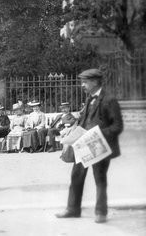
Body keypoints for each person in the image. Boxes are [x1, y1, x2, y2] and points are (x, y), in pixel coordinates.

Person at [56, 68, 123, 224]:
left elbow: (117, 126)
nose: (82, 85)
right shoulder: (89, 99)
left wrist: (98, 134)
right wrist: (75, 131)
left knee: (100, 179)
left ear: (95, 82)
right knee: (76, 176)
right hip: (84, 144)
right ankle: (72, 209)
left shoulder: (109, 100)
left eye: (85, 82)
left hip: (100, 144)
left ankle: (101, 212)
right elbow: (85, 120)